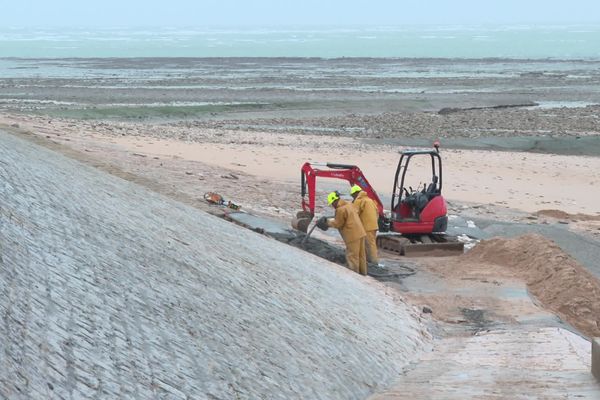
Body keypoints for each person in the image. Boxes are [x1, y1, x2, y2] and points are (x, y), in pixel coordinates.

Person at [318, 191, 367, 275]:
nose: (332, 206)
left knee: (352, 256)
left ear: (335, 200)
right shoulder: (349, 205)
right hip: (361, 232)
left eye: (332, 203)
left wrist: (326, 223)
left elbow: (338, 223)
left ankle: (354, 276)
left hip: (352, 236)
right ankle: (363, 274)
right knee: (361, 256)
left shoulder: (340, 209)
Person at [350, 185, 380, 266]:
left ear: (356, 193)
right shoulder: (370, 200)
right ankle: (371, 261)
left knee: (369, 245)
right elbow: (377, 212)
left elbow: (354, 214)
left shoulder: (359, 200)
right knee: (370, 244)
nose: (353, 197)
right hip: (373, 226)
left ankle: (373, 264)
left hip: (367, 227)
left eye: (352, 195)